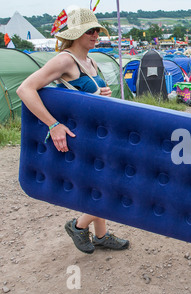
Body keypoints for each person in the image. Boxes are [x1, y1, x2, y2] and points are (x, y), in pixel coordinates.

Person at [17, 7, 129, 254]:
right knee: (108, 186)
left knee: (97, 186)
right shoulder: (65, 59)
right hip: (83, 137)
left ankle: (101, 236)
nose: (95, 34)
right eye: (90, 30)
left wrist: (103, 94)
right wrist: (53, 124)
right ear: (77, 33)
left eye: (97, 30)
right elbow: (25, 89)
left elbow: (87, 95)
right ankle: (78, 227)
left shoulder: (91, 60)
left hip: (100, 136)